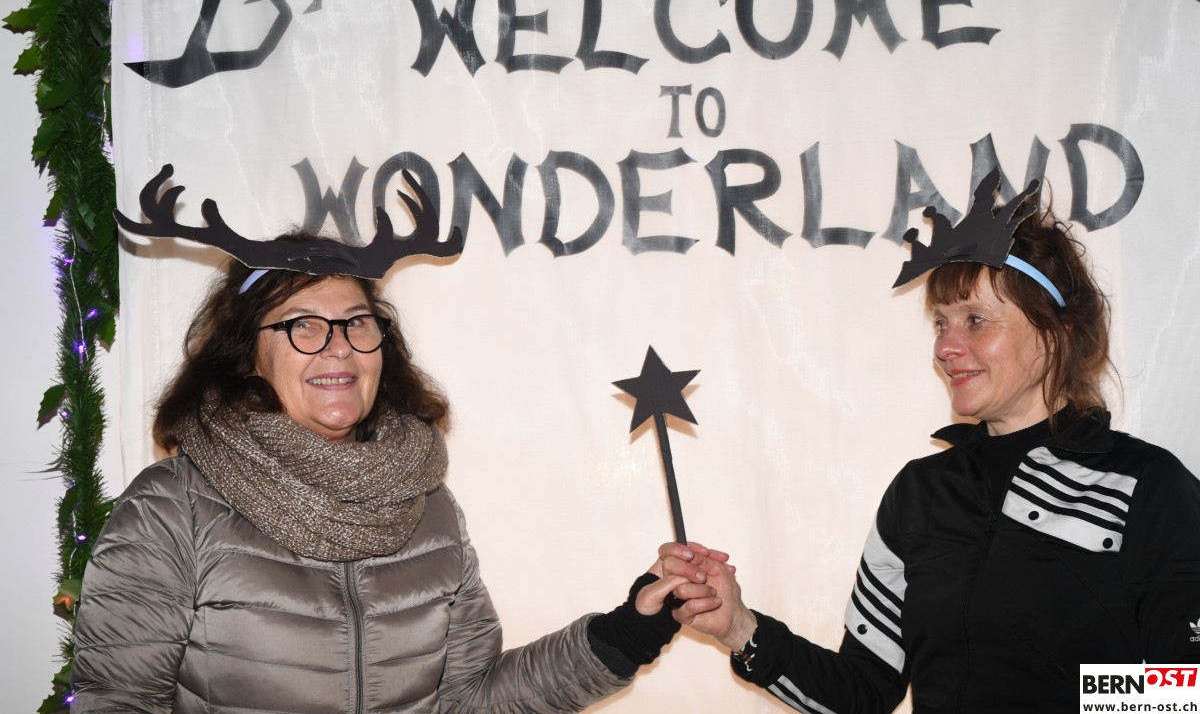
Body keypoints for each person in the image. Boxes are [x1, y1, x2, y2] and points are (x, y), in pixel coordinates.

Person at [71, 224, 722, 713]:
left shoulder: (428, 505)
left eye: (357, 323)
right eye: (303, 326)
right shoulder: (172, 509)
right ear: (247, 356)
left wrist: (627, 632)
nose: (338, 348)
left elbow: (471, 699)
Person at [660, 175, 1200, 712]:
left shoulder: (1148, 486)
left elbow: (1187, 689)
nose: (946, 347)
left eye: (976, 320)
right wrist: (740, 628)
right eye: (942, 324)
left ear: (1057, 333)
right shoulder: (920, 493)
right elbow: (863, 693)